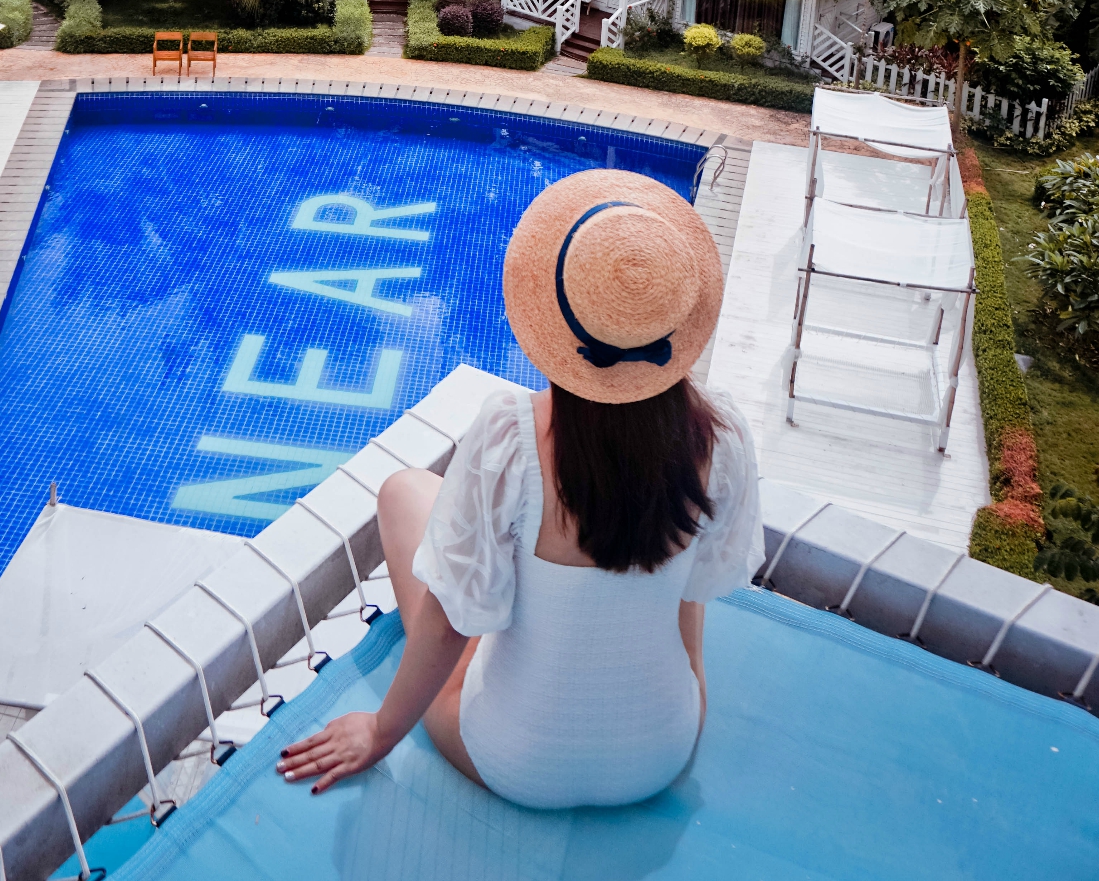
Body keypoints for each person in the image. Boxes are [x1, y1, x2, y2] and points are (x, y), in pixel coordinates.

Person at [279, 166, 764, 809]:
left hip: (516, 760)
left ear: (558, 323)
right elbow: (696, 590)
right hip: (664, 751)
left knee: (402, 493)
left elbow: (451, 620)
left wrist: (380, 730)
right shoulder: (722, 437)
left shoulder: (512, 438)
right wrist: (691, 692)